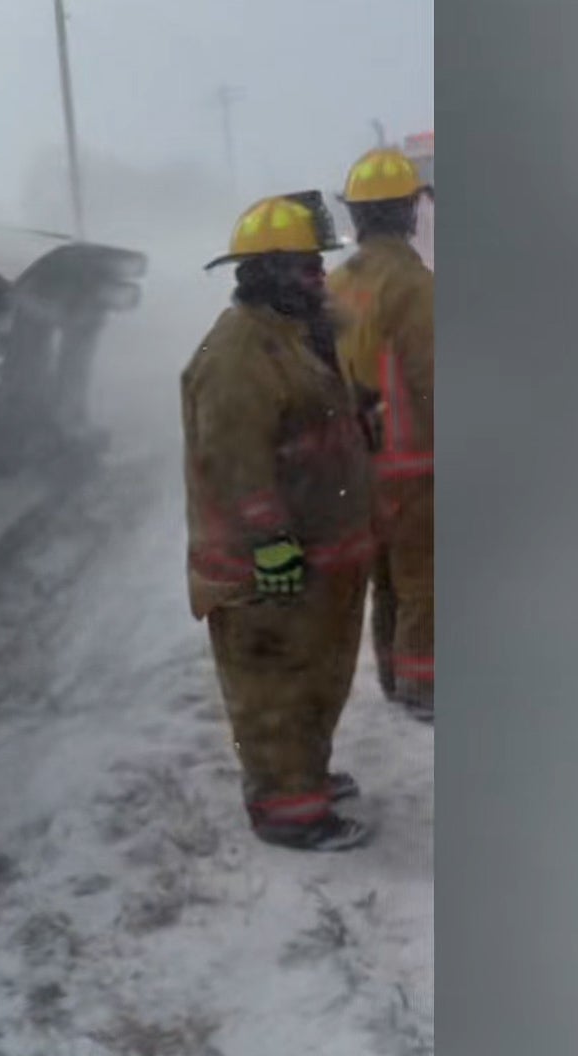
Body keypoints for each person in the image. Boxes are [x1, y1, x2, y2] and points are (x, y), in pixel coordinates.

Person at [182, 193, 379, 852]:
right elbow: (233, 459)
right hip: (266, 566)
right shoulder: (240, 352)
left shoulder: (298, 336)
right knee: (274, 687)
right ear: (264, 271)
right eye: (303, 266)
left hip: (317, 554)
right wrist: (269, 541)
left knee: (317, 676)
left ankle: (305, 777)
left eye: (317, 263)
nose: (319, 276)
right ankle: (288, 810)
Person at [327, 148, 436, 721]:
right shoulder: (415, 286)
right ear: (409, 211)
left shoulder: (335, 283)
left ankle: (396, 678)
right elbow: (432, 376)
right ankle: (424, 686)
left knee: (387, 578)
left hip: (356, 459)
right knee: (425, 575)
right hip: (412, 458)